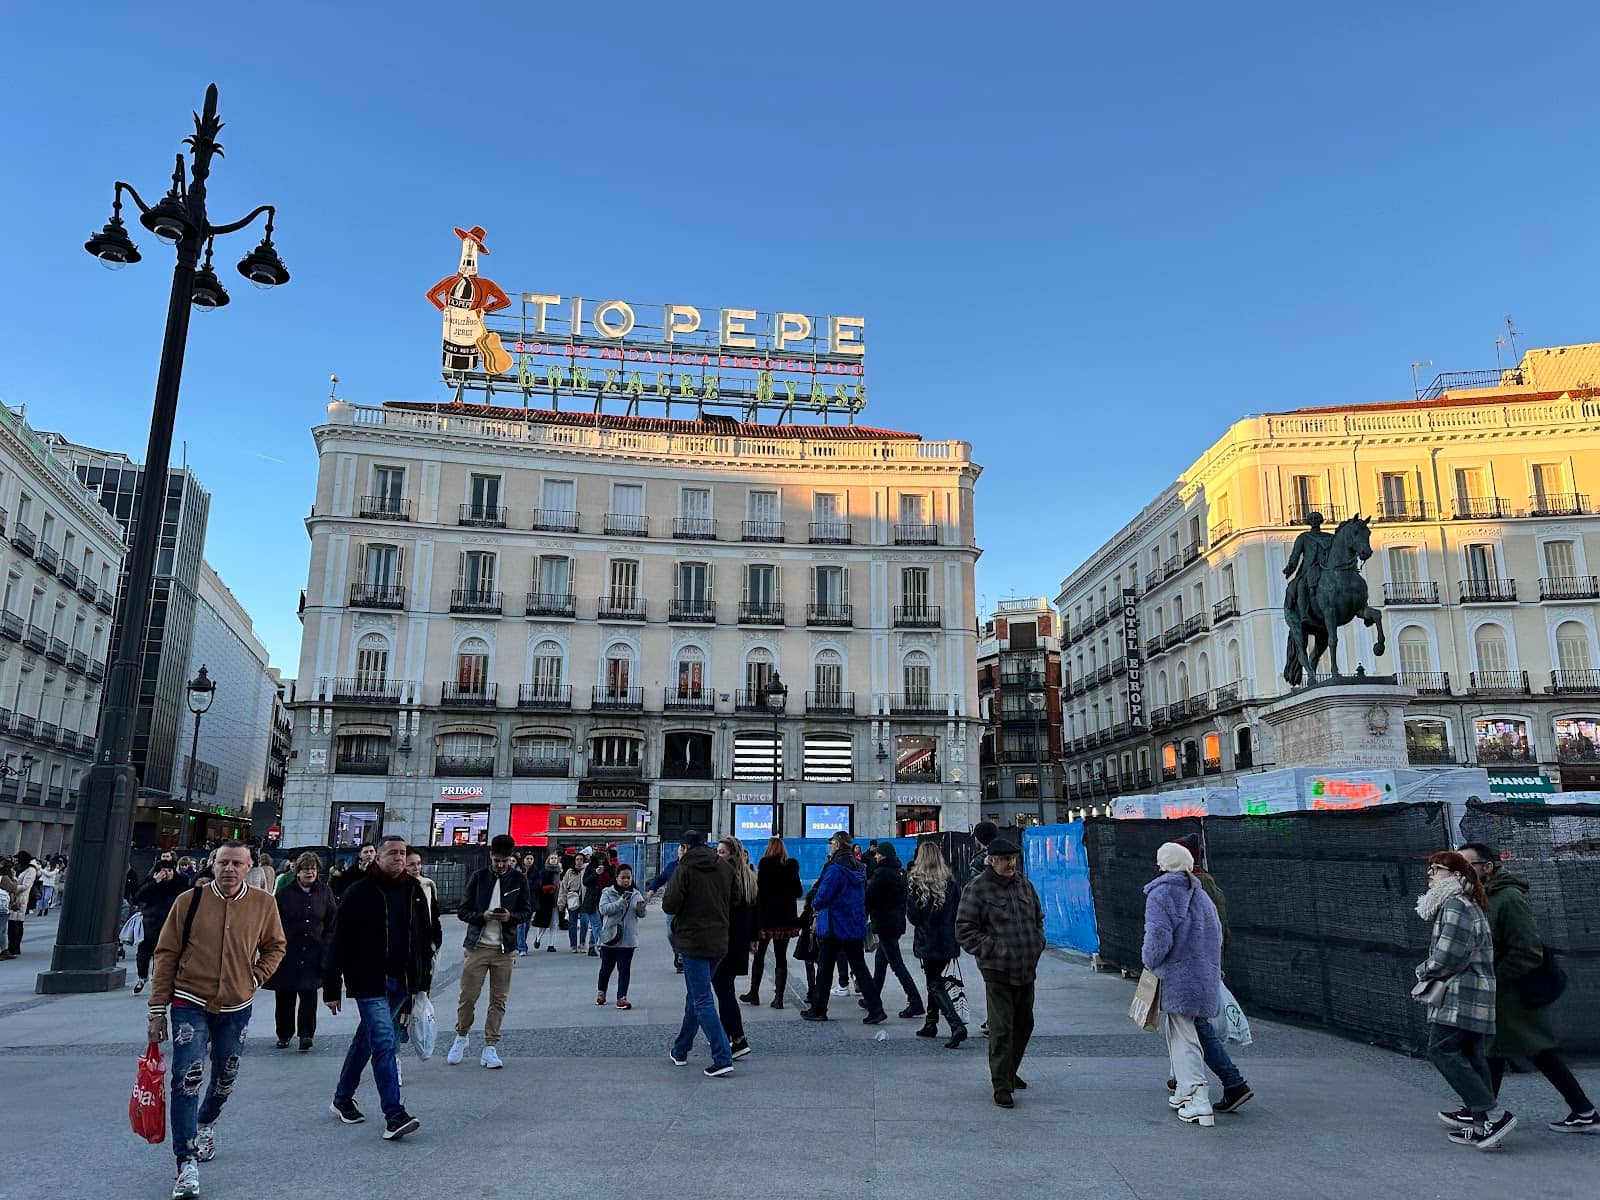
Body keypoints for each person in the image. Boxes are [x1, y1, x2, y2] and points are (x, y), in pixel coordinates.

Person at [146, 842, 286, 1199]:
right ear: (212, 864)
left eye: (237, 863)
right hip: (189, 1001)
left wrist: (255, 977)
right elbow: (166, 954)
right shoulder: (188, 901)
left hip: (237, 1003)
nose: (229, 869)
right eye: (223, 862)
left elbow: (275, 946)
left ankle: (206, 1120)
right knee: (187, 1077)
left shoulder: (263, 903)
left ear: (249, 866)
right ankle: (185, 1161)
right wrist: (157, 1009)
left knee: (225, 1076)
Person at [1457, 844, 1595, 1133]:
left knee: (1527, 1048)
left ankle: (1482, 1113)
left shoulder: (1508, 898)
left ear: (1487, 867)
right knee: (1505, 1049)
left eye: (1468, 864)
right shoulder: (1482, 896)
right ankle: (1582, 1110)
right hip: (1502, 989)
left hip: (1515, 991)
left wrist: (1497, 978)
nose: (1462, 871)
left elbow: (1528, 951)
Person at [323, 834, 432, 1141]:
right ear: (377, 857)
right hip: (369, 980)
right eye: (393, 853)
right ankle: (394, 1114)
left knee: (366, 1040)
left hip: (401, 981)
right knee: (385, 1042)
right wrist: (331, 985)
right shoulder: (359, 892)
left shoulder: (415, 891)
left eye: (403, 853)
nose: (399, 858)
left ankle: (342, 1097)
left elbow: (423, 938)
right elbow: (338, 940)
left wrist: (423, 981)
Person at [1416, 850, 1515, 1149]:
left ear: (1457, 875)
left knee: (1441, 1049)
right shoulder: (1468, 902)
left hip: (1462, 993)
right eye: (1431, 868)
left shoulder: (1455, 904)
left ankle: (1492, 1115)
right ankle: (1483, 1123)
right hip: (1476, 993)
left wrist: (1423, 970)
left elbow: (1449, 955)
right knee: (1471, 1054)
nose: (1431, 874)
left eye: (1438, 869)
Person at [957, 836, 1044, 1108]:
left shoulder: (1024, 885)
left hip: (1026, 968)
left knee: (1024, 1024)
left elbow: (1038, 918)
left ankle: (1009, 1070)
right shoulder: (978, 889)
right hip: (998, 970)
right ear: (992, 860)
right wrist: (993, 949)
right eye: (1006, 859)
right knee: (1002, 1027)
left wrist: (1038, 942)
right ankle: (1001, 1085)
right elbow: (964, 929)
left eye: (1014, 859)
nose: (1011, 864)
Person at [1140, 842, 1223, 1127]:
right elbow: (1217, 937)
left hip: (1177, 976)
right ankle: (1184, 1090)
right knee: (1182, 1031)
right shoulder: (1201, 895)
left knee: (1184, 1036)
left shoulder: (1161, 894)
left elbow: (1157, 940)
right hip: (1203, 975)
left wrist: (1149, 961)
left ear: (1163, 864)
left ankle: (1199, 1098)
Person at [1172, 833, 1252, 1113]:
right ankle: (1182, 1076)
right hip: (1203, 966)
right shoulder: (1199, 882)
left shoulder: (1197, 885)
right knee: (1189, 1024)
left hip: (1196, 968)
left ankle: (1232, 1081)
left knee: (1196, 1025)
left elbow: (1208, 931)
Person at [446, 834, 530, 1069]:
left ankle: (490, 1046)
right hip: (477, 947)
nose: (500, 865)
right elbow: (462, 910)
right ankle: (461, 1036)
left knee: (498, 1000)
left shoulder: (518, 880)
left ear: (511, 858)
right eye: (496, 860)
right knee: (468, 997)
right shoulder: (479, 877)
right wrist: (481, 916)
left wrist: (509, 918)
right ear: (490, 858)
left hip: (504, 950)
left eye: (504, 860)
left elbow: (526, 911)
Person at [661, 830, 736, 1077]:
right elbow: (736, 898)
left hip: (693, 940)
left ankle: (722, 1055)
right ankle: (680, 1050)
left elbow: (669, 904)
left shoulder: (684, 868)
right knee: (694, 996)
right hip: (719, 940)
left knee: (702, 999)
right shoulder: (723, 867)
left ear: (685, 846)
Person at [801, 830, 887, 1024]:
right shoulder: (859, 867)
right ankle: (876, 1007)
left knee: (825, 967)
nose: (830, 846)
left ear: (838, 845)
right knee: (859, 967)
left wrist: (814, 904)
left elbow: (823, 896)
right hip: (854, 924)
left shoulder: (835, 868)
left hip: (835, 924)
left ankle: (818, 1008)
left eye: (832, 843)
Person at [267, 852, 336, 1051]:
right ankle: (284, 1033)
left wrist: (327, 942)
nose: (310, 872)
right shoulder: (284, 893)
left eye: (313, 869)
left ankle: (306, 1034)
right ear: (297, 871)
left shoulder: (324, 892)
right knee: (285, 996)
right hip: (289, 952)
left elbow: (332, 920)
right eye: (306, 869)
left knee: (309, 995)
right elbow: (274, 921)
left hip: (314, 952)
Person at [906, 840, 968, 1048]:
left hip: (928, 939)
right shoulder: (950, 882)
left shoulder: (916, 882)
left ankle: (955, 1024)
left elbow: (913, 916)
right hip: (947, 938)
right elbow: (959, 910)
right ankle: (930, 1023)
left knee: (934, 982)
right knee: (935, 979)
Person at [711, 836, 758, 1059]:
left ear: (731, 855)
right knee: (724, 988)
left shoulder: (726, 877)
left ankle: (737, 1038)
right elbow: (754, 911)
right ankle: (729, 1036)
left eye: (721, 852)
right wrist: (753, 937)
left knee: (724, 990)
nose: (717, 855)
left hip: (725, 940)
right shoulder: (748, 876)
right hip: (739, 941)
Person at [866, 843, 925, 1019]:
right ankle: (873, 997)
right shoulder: (899, 872)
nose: (875, 857)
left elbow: (870, 897)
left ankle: (915, 1002)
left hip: (885, 924)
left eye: (877, 854)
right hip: (895, 922)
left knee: (897, 964)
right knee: (880, 961)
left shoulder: (881, 873)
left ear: (883, 856)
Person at [743, 836, 802, 1008]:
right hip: (785, 919)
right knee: (780, 957)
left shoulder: (765, 866)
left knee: (759, 955)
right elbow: (798, 892)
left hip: (767, 918)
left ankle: (754, 993)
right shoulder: (791, 867)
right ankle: (779, 998)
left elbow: (759, 894)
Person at [131, 852, 189, 995]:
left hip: (170, 922)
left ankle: (158, 980)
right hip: (150, 921)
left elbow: (185, 898)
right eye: (164, 871)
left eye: (169, 871)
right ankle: (142, 976)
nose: (167, 874)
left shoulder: (180, 881)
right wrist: (154, 882)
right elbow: (139, 896)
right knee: (144, 951)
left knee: (162, 953)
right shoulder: (151, 881)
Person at [596, 862, 648, 1008]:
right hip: (610, 937)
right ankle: (601, 993)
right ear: (617, 878)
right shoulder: (608, 892)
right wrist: (619, 903)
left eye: (628, 878)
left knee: (624, 969)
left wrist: (642, 908)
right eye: (623, 877)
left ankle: (622, 997)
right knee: (606, 968)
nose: (626, 881)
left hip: (628, 939)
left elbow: (641, 914)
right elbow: (603, 909)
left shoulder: (636, 894)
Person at [645, 855, 683, 972]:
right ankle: (677, 951)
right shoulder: (672, 866)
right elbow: (661, 878)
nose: (681, 852)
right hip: (672, 905)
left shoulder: (692, 866)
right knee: (670, 933)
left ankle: (681, 959)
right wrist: (651, 891)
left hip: (687, 907)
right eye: (680, 850)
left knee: (683, 933)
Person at [404, 851, 444, 960]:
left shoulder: (428, 884)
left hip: (426, 944)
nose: (416, 868)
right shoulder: (399, 888)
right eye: (411, 865)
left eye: (419, 863)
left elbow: (434, 916)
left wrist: (435, 941)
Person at [2, 851, 39, 958]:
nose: (17, 861)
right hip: (13, 896)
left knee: (17, 922)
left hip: (21, 897)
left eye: (18, 859)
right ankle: (11, 945)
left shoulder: (31, 870)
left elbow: (26, 885)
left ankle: (15, 946)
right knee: (12, 923)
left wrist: (13, 888)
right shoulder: (18, 868)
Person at [579, 846, 613, 957]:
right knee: (596, 924)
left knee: (602, 925)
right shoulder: (590, 868)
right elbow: (585, 882)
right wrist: (596, 874)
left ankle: (594, 945)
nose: (601, 862)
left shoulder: (610, 868)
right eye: (599, 859)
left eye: (603, 859)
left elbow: (613, 881)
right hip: (592, 899)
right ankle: (600, 946)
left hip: (605, 899)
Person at [530, 852, 561, 952]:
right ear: (548, 860)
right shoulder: (543, 872)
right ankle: (538, 938)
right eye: (551, 858)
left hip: (556, 901)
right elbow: (539, 886)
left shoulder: (559, 872)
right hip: (545, 901)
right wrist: (548, 888)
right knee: (542, 924)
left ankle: (551, 945)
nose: (553, 860)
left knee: (554, 923)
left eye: (555, 858)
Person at [559, 853, 589, 953]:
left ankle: (582, 943)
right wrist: (561, 903)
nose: (579, 861)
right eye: (577, 859)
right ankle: (573, 944)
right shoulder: (570, 872)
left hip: (584, 899)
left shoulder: (587, 870)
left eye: (581, 859)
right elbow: (563, 888)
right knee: (572, 923)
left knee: (584, 922)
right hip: (572, 898)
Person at [516, 852, 541, 954]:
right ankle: (522, 947)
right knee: (521, 924)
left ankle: (521, 942)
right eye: (527, 858)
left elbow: (538, 885)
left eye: (531, 858)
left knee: (526, 925)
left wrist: (527, 884)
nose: (529, 860)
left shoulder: (536, 872)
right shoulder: (519, 871)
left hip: (531, 901)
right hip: (519, 901)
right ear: (523, 860)